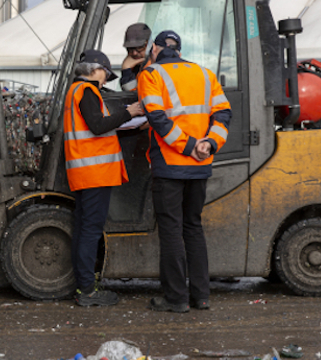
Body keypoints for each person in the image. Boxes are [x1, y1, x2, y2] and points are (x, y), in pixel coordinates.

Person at [137, 31, 232, 313]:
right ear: (179, 50)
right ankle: (201, 296)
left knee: (171, 231)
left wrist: (189, 146)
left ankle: (176, 298)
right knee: (193, 227)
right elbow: (223, 114)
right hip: (200, 166)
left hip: (170, 165)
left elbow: (156, 117)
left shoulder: (151, 74)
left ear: (155, 49)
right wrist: (209, 144)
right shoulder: (205, 74)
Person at [64, 49, 144, 306]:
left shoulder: (74, 92)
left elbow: (96, 130)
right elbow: (98, 125)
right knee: (90, 231)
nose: (105, 80)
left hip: (84, 171)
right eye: (105, 74)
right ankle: (87, 291)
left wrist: (126, 125)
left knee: (83, 229)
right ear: (95, 70)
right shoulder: (87, 91)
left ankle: (83, 287)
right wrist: (129, 113)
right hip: (94, 173)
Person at [120, 23, 153, 91]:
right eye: (130, 49)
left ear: (149, 44)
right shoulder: (135, 67)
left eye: (140, 47)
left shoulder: (154, 67)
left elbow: (134, 95)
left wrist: (126, 71)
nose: (134, 53)